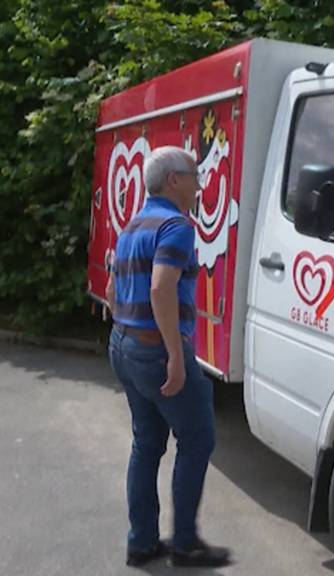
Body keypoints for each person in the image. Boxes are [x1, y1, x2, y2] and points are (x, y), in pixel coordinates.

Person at [105, 146, 231, 568]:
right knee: (197, 440)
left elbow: (111, 290)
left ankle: (141, 542)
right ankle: (184, 543)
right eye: (194, 176)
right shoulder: (176, 226)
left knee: (146, 443)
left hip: (123, 343)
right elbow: (161, 288)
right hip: (154, 350)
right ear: (173, 180)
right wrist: (175, 356)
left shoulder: (133, 224)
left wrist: (128, 336)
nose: (200, 185)